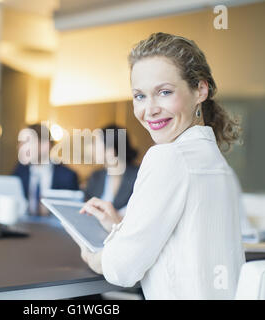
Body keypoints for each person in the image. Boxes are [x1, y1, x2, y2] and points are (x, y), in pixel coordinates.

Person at [65, 32, 245, 299]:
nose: (150, 110)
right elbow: (183, 242)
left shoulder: (167, 157)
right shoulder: (217, 163)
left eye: (164, 92)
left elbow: (122, 270)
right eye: (140, 96)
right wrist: (120, 227)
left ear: (200, 90)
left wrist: (94, 257)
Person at [13, 123, 79, 216]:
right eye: (20, 143)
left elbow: (73, 214)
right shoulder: (20, 171)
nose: (20, 147)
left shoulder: (67, 176)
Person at [85, 124, 139, 213]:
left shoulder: (138, 175)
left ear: (111, 149)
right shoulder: (96, 176)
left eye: (95, 143)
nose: (92, 148)